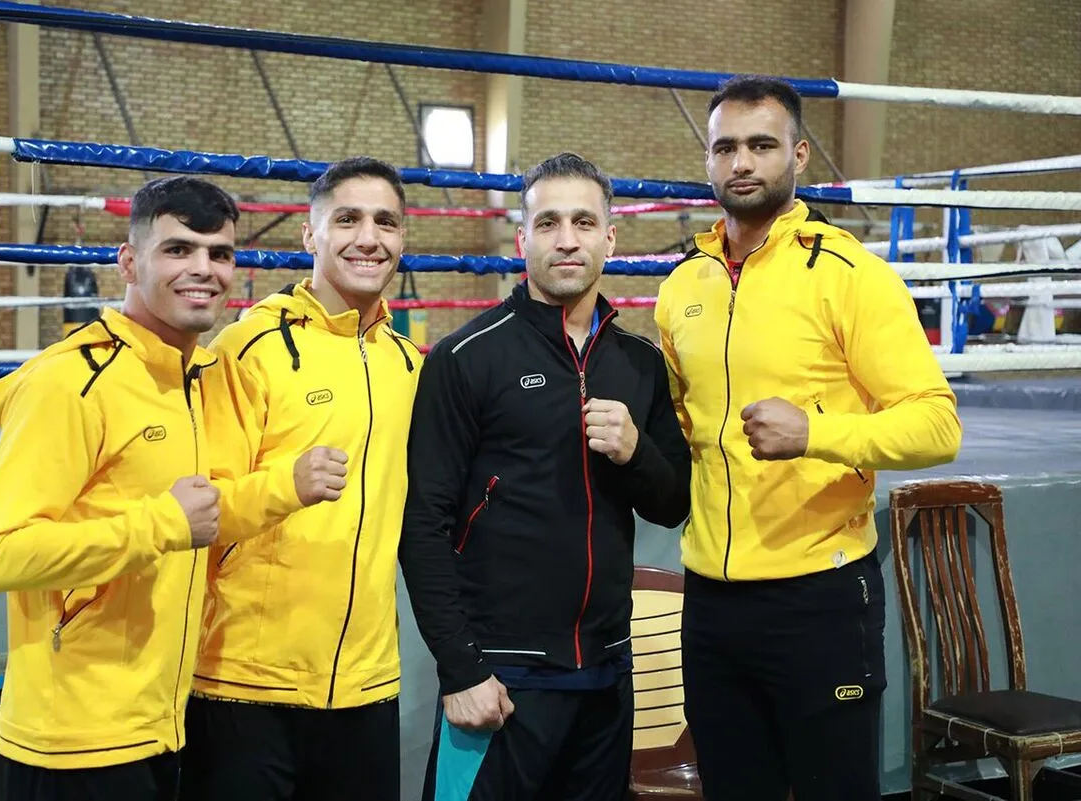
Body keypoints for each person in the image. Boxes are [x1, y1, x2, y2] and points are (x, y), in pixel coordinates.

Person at [654, 75, 964, 801]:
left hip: (819, 600)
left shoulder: (851, 274)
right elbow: (682, 428)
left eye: (761, 145)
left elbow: (938, 423)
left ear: (798, 155)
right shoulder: (682, 287)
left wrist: (816, 433)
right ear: (707, 160)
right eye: (725, 147)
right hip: (711, 603)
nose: (741, 163)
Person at [401, 151, 692, 801]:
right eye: (549, 222)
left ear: (609, 239)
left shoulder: (639, 363)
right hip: (501, 678)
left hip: (607, 674)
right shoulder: (466, 357)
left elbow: (673, 502)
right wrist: (460, 668)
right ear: (522, 238)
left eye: (583, 222)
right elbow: (422, 524)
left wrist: (636, 451)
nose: (567, 239)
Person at [0, 176, 240, 801]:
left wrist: (291, 488)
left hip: (161, 724)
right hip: (74, 739)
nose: (203, 269)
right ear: (128, 262)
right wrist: (161, 525)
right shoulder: (68, 382)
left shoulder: (194, 380)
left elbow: (207, 515)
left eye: (219, 253)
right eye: (178, 249)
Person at [180, 156, 421, 801]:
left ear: (402, 238)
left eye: (385, 222)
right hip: (246, 682)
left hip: (367, 682)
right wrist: (284, 485)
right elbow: (198, 512)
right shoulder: (248, 348)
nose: (368, 237)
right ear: (310, 235)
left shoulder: (406, 364)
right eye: (347, 219)